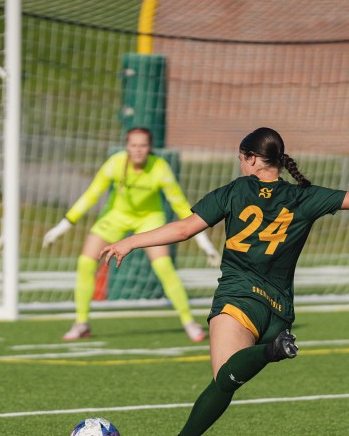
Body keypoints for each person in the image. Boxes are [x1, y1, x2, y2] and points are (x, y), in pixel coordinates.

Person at [100, 127, 349, 436]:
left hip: (239, 299)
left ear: (252, 160)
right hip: (279, 311)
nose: (240, 165)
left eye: (241, 158)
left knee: (224, 379)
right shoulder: (302, 196)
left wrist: (131, 241)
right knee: (228, 380)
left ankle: (269, 354)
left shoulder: (236, 191)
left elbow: (184, 228)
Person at [43, 127, 220, 342]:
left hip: (149, 218)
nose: (138, 150)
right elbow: (91, 194)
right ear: (127, 147)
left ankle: (189, 322)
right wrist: (64, 225)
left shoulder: (160, 168)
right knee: (85, 262)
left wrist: (203, 242)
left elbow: (180, 204)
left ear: (150, 148)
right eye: (133, 145)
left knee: (164, 267)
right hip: (116, 216)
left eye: (143, 145)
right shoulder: (115, 163)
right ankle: (81, 324)